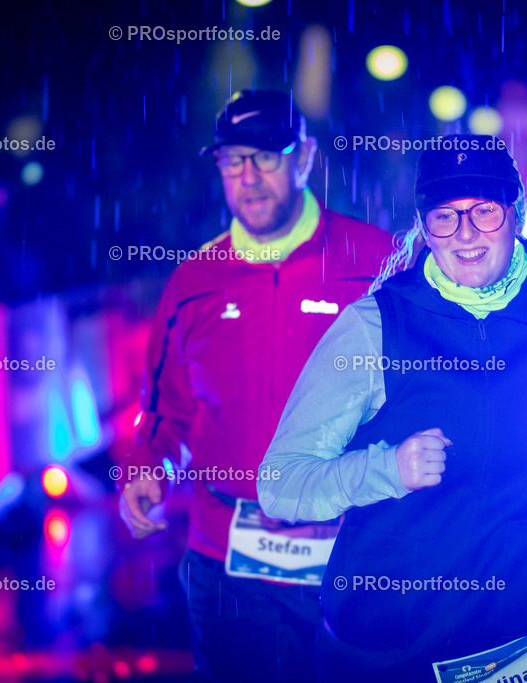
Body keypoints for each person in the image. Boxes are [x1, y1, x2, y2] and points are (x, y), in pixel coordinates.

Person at [258, 134, 527, 682]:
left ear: (515, 214)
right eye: (445, 216)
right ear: (424, 226)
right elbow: (280, 482)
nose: (465, 234)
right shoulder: (374, 327)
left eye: (484, 212)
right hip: (395, 653)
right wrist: (383, 469)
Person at [117, 89, 394, 683]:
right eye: (231, 159)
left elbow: (424, 392)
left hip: (355, 556)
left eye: (266, 156)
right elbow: (167, 414)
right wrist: (149, 469)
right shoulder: (195, 281)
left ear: (305, 157)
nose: (249, 176)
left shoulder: (374, 263)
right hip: (229, 562)